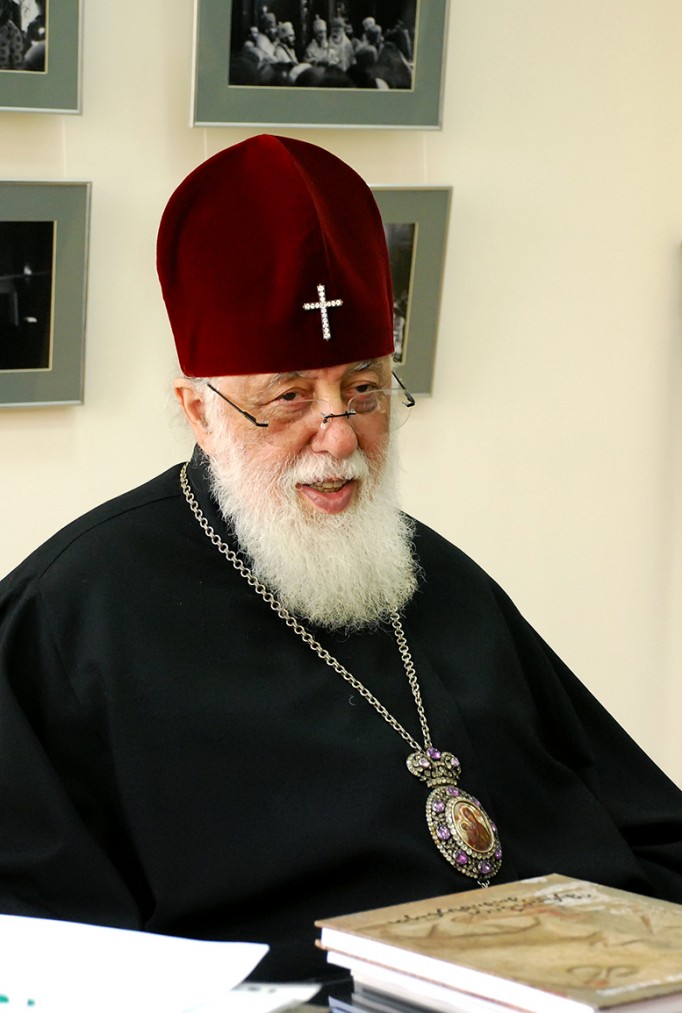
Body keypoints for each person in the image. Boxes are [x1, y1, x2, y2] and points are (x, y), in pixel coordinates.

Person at [1, 135, 682, 991]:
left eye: (363, 390)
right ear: (200, 413)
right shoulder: (68, 617)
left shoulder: (434, 575)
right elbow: (46, 950)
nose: (338, 437)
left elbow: (645, 826)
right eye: (290, 397)